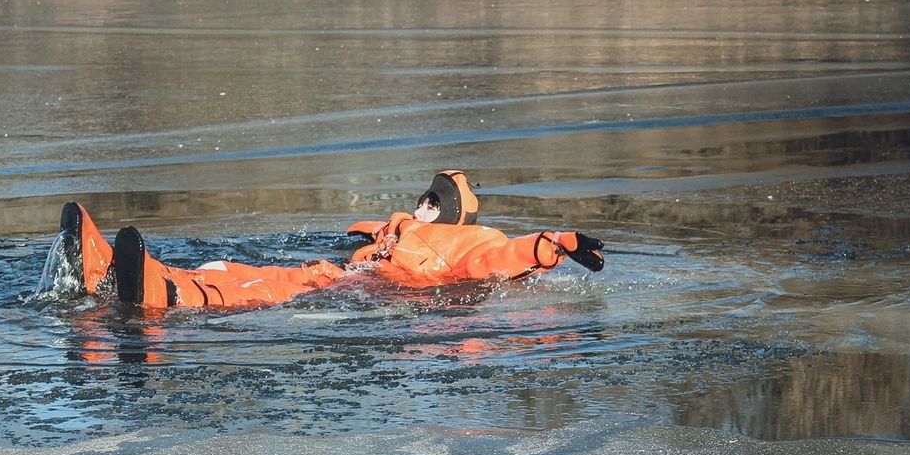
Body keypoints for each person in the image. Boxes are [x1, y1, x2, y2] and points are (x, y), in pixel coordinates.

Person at [56, 170, 604, 310]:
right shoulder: (400, 231)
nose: (421, 206)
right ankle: (115, 270)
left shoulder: (467, 240)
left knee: (266, 290)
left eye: (432, 202)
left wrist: (551, 242)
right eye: (423, 199)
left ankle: (163, 294)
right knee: (236, 268)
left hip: (375, 293)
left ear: (449, 213)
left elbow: (499, 256)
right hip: (348, 278)